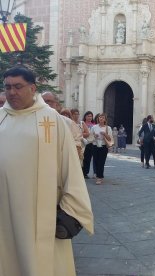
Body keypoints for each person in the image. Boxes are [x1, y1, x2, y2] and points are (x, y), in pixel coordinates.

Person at [0, 65, 93, 275]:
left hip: (41, 213)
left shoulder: (51, 120)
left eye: (18, 86)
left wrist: (70, 209)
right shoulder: (1, 118)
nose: (12, 92)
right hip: (3, 209)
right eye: (8, 87)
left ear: (33, 88)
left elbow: (71, 167)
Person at [91, 113, 113, 184]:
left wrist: (105, 134)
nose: (101, 118)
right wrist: (95, 135)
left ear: (105, 119)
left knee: (101, 162)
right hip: (95, 145)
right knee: (96, 161)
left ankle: (99, 177)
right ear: (98, 118)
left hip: (103, 146)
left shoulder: (108, 128)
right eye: (100, 117)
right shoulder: (94, 127)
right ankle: (99, 175)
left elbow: (110, 138)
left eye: (103, 117)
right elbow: (90, 136)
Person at [82, 111, 96, 178]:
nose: (90, 117)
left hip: (90, 143)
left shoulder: (94, 125)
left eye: (91, 116)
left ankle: (85, 173)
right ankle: (80, 171)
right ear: (85, 116)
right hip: (83, 142)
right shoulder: (82, 123)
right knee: (82, 158)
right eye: (88, 116)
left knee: (88, 158)